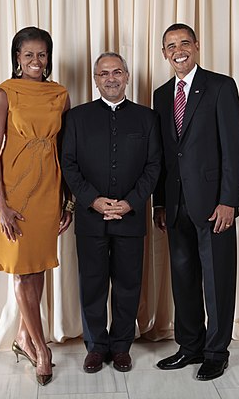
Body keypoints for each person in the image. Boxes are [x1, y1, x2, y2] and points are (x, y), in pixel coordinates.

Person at [152, 23, 239, 381]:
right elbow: (163, 155)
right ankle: (190, 347)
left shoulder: (221, 87)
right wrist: (160, 203)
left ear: (197, 46)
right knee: (183, 279)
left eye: (184, 43)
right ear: (164, 54)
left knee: (218, 279)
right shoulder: (161, 95)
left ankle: (216, 352)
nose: (179, 50)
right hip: (176, 206)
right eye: (171, 45)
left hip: (213, 205)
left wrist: (228, 201)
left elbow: (234, 150)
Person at [0, 26, 73, 386]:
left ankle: (24, 337)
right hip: (14, 193)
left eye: (42, 54)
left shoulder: (60, 95)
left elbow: (65, 151)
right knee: (22, 271)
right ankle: (41, 349)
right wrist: (1, 206)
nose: (36, 61)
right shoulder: (4, 95)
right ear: (17, 58)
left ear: (49, 57)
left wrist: (69, 199)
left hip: (49, 190)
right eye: (29, 55)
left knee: (37, 268)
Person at [62, 52, 161, 374]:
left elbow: (154, 166)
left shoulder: (147, 119)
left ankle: (121, 347)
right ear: (95, 80)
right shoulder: (76, 118)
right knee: (91, 284)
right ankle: (95, 346)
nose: (111, 79)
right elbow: (69, 165)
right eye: (103, 74)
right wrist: (93, 200)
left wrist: (132, 201)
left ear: (127, 76)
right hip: (91, 219)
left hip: (131, 218)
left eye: (117, 72)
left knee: (128, 285)